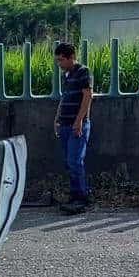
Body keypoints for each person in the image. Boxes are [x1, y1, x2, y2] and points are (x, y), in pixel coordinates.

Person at [54, 42, 93, 214]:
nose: (59, 64)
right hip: (64, 123)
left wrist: (79, 121)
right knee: (69, 163)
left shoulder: (83, 72)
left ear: (71, 57)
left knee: (75, 161)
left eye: (61, 60)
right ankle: (74, 195)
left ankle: (81, 198)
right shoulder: (67, 76)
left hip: (77, 125)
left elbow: (87, 97)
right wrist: (57, 119)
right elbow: (64, 98)